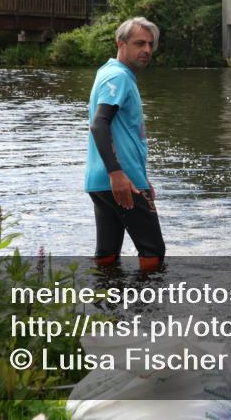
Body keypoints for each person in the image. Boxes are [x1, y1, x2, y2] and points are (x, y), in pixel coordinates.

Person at [84, 17, 165, 273]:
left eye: (150, 45)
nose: (147, 50)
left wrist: (141, 178)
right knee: (153, 252)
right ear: (121, 44)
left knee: (107, 254)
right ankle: (147, 311)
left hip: (103, 182)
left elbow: (123, 133)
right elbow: (99, 124)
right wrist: (117, 174)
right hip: (121, 181)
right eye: (139, 43)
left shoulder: (110, 72)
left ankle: (106, 309)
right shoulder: (118, 76)